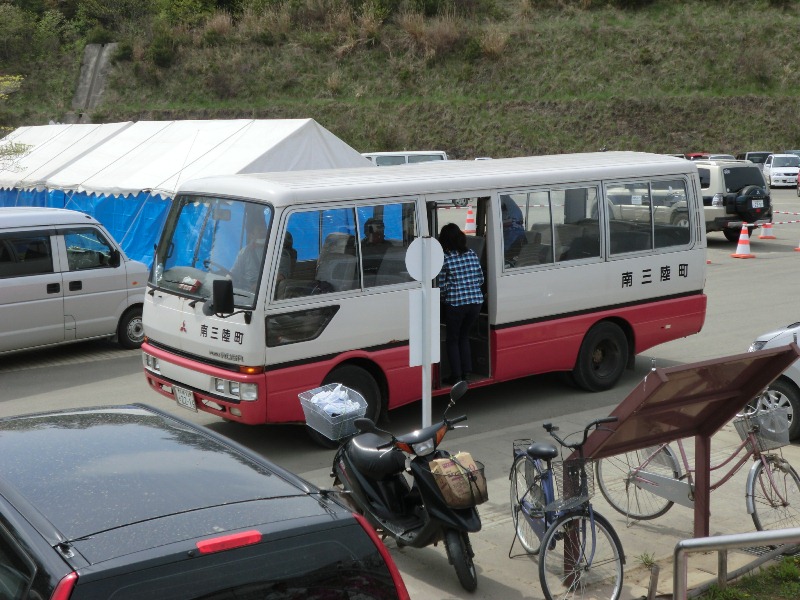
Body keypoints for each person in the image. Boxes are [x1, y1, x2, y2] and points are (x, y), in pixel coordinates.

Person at [437, 222, 484, 385]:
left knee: (453, 339)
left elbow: (441, 286)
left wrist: (444, 300)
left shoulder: (445, 258)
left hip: (456, 304)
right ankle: (467, 373)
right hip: (475, 303)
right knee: (464, 337)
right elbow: (480, 279)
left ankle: (456, 376)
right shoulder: (471, 253)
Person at [230, 217, 268, 290]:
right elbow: (234, 273)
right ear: (251, 235)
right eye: (259, 230)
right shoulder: (245, 252)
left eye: (264, 230)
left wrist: (260, 285)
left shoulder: (275, 250)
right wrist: (226, 282)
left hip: (264, 292)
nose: (263, 232)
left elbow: (279, 277)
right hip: (246, 293)